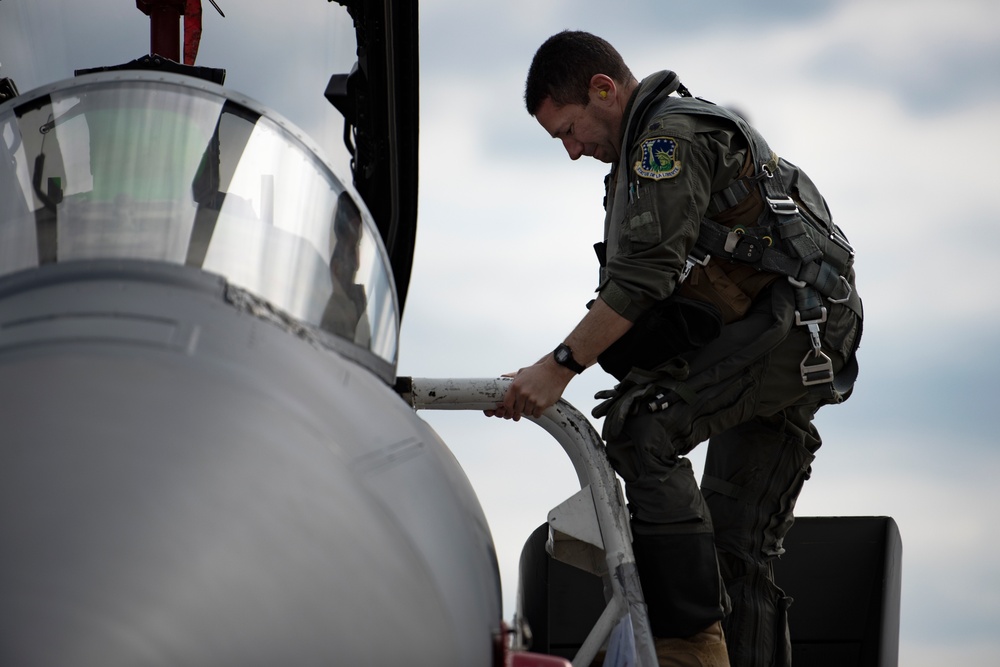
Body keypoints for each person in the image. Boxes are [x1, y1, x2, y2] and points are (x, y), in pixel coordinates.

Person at [487, 31, 862, 667]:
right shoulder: (644, 152)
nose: (574, 152)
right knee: (734, 558)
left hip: (797, 329)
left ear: (604, 90)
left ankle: (687, 648)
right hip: (793, 332)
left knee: (641, 425)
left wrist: (557, 369)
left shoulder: (666, 141)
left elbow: (641, 282)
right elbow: (640, 295)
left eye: (570, 132)